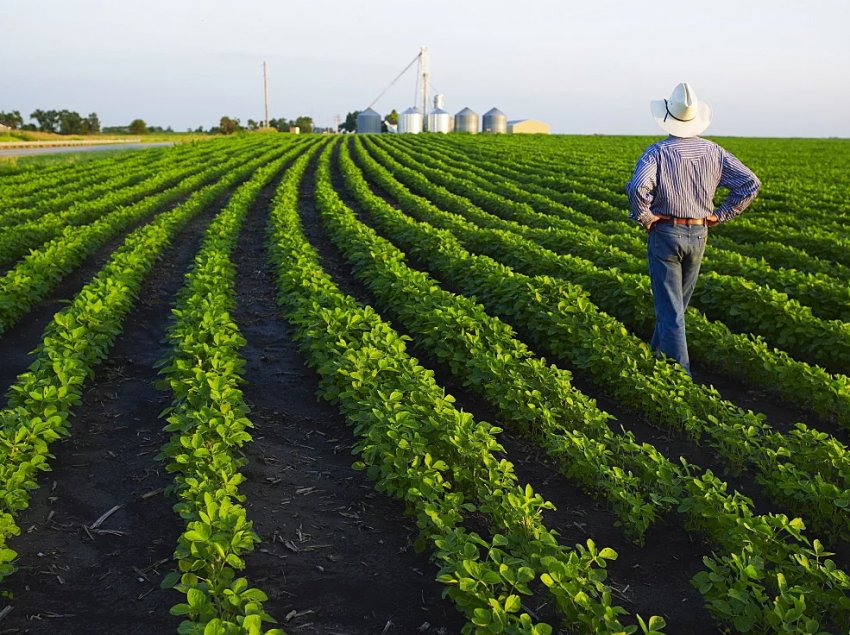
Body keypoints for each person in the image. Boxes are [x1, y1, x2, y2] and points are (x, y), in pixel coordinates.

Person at [625, 82, 761, 377]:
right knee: (676, 307)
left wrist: (646, 218)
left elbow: (638, 187)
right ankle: (657, 360)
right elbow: (750, 183)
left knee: (671, 308)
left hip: (666, 233)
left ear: (668, 117)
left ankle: (680, 376)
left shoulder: (658, 152)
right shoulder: (714, 152)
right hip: (699, 234)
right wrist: (721, 215)